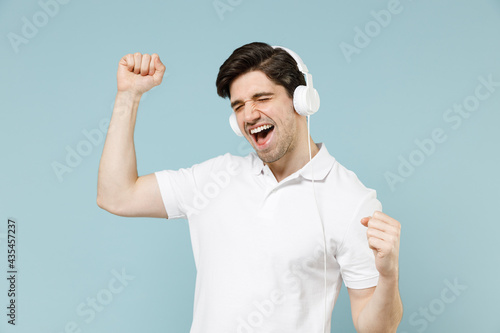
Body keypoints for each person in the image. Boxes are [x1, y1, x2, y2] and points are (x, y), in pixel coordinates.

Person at [97, 42, 403, 333]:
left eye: (262, 98)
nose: (250, 114)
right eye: (239, 105)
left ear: (301, 100)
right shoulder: (214, 179)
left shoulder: (351, 201)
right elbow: (117, 196)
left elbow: (376, 328)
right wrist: (129, 96)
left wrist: (388, 275)